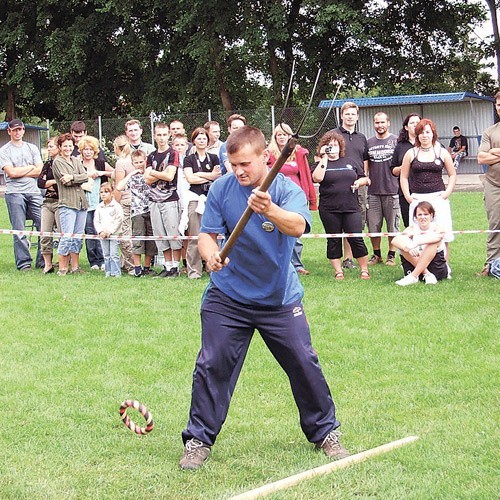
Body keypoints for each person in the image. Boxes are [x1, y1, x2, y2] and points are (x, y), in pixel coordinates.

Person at [180, 126, 348, 471]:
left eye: (245, 163)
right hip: (228, 297)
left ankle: (326, 433)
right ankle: (198, 440)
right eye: (233, 164)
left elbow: (298, 226)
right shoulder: (221, 189)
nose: (239, 171)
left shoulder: (286, 190)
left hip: (278, 299)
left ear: (264, 158)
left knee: (304, 362)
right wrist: (212, 255)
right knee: (212, 364)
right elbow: (207, 236)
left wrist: (269, 209)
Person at [312, 130, 370, 280]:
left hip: (351, 207)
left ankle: (364, 270)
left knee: (356, 238)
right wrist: (323, 158)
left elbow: (365, 179)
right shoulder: (320, 163)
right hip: (329, 209)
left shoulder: (351, 161)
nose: (332, 147)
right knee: (333, 239)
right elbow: (317, 178)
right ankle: (338, 271)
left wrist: (359, 182)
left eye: (335, 145)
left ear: (340, 146)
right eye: (329, 145)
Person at [400, 118, 456, 263]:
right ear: (417, 135)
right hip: (417, 198)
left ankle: (444, 266)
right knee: (417, 234)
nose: (424, 135)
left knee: (442, 234)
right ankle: (419, 266)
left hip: (438, 198)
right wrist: (408, 196)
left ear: (433, 134)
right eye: (421, 133)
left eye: (427, 132)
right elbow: (404, 177)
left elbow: (452, 174)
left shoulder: (442, 152)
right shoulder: (411, 153)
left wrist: (447, 193)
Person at [268, 123, 317, 275]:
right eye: (279, 135)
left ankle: (297, 265)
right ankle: (277, 264)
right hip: (276, 197)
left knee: (295, 231)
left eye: (284, 134)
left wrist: (312, 199)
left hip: (295, 197)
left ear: (290, 136)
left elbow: (307, 176)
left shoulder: (299, 153)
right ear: (275, 137)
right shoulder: (269, 154)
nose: (282, 137)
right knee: (274, 230)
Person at [0, 119, 44, 271]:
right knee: (19, 230)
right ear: (9, 131)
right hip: (14, 193)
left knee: (43, 226)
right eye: (15, 130)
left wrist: (22, 170)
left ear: (24, 130)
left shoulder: (32, 148)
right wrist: (30, 167)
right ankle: (24, 264)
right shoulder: (4, 151)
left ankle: (43, 261)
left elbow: (39, 170)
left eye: (20, 129)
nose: (18, 132)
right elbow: (11, 173)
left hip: (34, 191)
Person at [329, 102, 369, 269]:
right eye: (347, 114)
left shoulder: (361, 138)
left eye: (353, 114)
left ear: (357, 117)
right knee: (339, 224)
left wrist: (364, 179)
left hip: (358, 185)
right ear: (342, 115)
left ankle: (350, 257)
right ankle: (344, 260)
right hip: (338, 186)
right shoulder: (333, 135)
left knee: (356, 224)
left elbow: (365, 161)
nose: (350, 117)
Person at [182, 127, 221, 279]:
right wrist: (209, 176)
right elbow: (190, 179)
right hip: (195, 198)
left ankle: (212, 267)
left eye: (204, 137)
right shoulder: (189, 159)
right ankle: (194, 271)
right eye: (198, 138)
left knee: (212, 235)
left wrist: (200, 174)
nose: (202, 140)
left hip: (210, 199)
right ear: (193, 141)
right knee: (194, 236)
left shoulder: (214, 158)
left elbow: (217, 177)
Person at [145, 122, 182, 277]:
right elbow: (147, 180)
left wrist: (153, 172)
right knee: (160, 234)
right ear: (154, 136)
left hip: (170, 199)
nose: (161, 138)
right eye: (158, 135)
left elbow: (169, 176)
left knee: (172, 233)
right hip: (154, 200)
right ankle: (167, 267)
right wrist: (157, 174)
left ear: (169, 135)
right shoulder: (151, 156)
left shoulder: (173, 153)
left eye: (164, 134)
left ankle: (175, 267)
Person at [115, 150, 157, 277]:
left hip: (151, 209)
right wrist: (131, 173)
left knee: (150, 240)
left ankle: (147, 267)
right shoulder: (132, 177)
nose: (139, 164)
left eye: (141, 162)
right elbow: (119, 187)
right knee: (138, 239)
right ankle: (137, 267)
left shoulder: (150, 174)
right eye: (136, 162)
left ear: (145, 161)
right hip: (137, 211)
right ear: (132, 163)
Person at [52, 133, 88, 275]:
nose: (68, 148)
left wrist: (73, 177)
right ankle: (62, 268)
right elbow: (64, 180)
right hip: (67, 203)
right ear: (60, 147)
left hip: (81, 203)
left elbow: (85, 176)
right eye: (65, 146)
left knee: (78, 237)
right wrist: (76, 178)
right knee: (67, 237)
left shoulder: (76, 160)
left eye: (70, 146)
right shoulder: (58, 162)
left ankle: (75, 267)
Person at [366, 112, 399, 266]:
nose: (380, 126)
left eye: (382, 122)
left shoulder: (396, 141)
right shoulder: (369, 143)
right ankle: (376, 254)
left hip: (392, 190)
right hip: (373, 191)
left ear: (388, 123)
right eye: (377, 123)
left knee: (392, 226)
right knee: (373, 225)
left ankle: (391, 255)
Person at [392, 201, 448, 286]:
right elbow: (396, 240)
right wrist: (409, 247)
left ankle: (414, 276)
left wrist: (416, 243)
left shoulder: (437, 228)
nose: (423, 217)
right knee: (403, 246)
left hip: (436, 268)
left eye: (426, 214)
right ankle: (426, 274)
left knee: (432, 243)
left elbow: (438, 237)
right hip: (415, 263)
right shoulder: (412, 228)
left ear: (431, 215)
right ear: (416, 217)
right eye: (420, 215)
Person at [476, 90, 500, 277]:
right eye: (498, 104)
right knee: (495, 225)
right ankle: (491, 265)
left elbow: (488, 155)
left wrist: (494, 152)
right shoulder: (489, 131)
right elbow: (481, 158)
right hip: (493, 185)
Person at [78, 135, 110, 271]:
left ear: (95, 150)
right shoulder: (77, 163)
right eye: (85, 149)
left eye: (90, 149)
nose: (88, 152)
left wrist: (100, 173)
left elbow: (114, 173)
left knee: (100, 230)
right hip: (84, 204)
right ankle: (93, 262)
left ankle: (103, 259)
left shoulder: (100, 162)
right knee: (89, 232)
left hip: (99, 203)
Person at [391, 113, 422, 228]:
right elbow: (393, 170)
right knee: (410, 226)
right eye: (412, 123)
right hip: (406, 192)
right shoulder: (400, 146)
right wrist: (404, 167)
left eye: (417, 123)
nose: (415, 125)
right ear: (406, 127)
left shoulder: (427, 144)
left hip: (425, 191)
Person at [37, 137, 60, 274]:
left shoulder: (64, 163)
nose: (49, 149)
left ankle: (64, 263)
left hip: (61, 202)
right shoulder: (47, 164)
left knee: (63, 234)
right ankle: (48, 265)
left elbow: (61, 184)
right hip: (47, 202)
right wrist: (52, 182)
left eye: (51, 146)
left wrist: (49, 182)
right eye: (48, 146)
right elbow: (40, 183)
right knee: (45, 233)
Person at [113, 135, 135, 274]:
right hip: (137, 200)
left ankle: (131, 265)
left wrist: (115, 203)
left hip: (126, 200)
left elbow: (118, 186)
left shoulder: (121, 162)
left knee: (124, 233)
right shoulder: (135, 159)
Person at [94, 183, 124, 278]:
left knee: (113, 254)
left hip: (114, 234)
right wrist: (100, 232)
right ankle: (108, 272)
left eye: (106, 192)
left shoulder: (116, 206)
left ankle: (116, 273)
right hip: (103, 235)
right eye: (101, 192)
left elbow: (119, 220)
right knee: (106, 254)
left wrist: (110, 231)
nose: (103, 194)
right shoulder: (99, 207)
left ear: (112, 194)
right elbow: (96, 221)